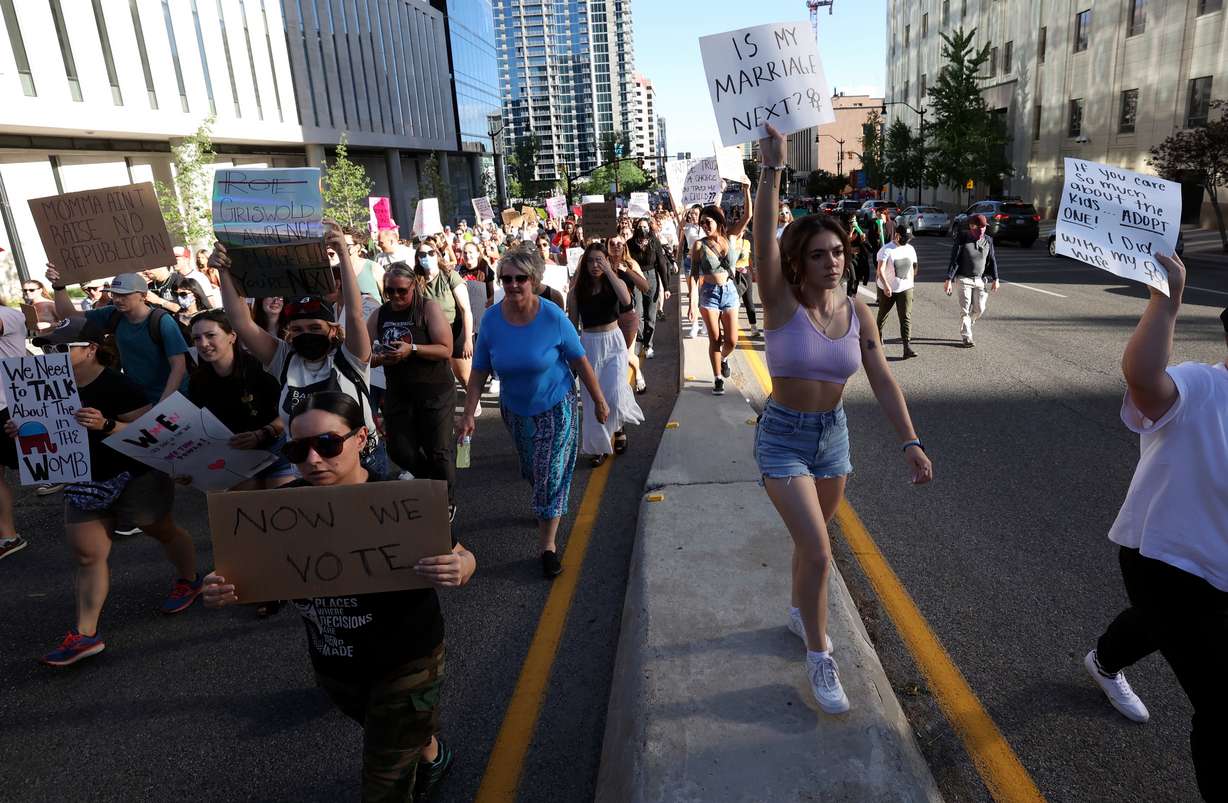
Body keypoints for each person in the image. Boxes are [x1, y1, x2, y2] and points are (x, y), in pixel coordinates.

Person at [202, 391, 474, 802]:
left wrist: (460, 568)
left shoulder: (402, 501)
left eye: (328, 444)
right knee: (387, 727)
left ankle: (420, 750)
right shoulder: (279, 510)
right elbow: (244, 574)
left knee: (383, 785)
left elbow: (464, 556)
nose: (312, 460)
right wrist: (221, 589)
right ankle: (431, 752)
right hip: (334, 662)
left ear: (361, 439)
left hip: (405, 663)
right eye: (297, 449)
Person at [752, 123, 932, 714]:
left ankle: (798, 608)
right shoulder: (782, 303)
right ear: (798, 263)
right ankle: (818, 654)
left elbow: (881, 377)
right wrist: (773, 171)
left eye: (837, 252)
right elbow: (760, 246)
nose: (831, 261)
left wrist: (910, 440)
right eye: (818, 254)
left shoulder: (858, 310)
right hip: (781, 437)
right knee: (822, 548)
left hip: (832, 440)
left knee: (811, 544)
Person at [1084, 259, 1227, 802]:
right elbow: (1145, 380)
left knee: (1162, 625)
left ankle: (1104, 660)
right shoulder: (1204, 386)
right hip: (1164, 561)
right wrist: (1165, 302)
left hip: (1217, 567)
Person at [9, 318, 201, 667]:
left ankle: (189, 579)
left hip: (135, 475)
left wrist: (107, 424)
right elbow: (36, 435)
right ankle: (85, 635)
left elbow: (153, 433)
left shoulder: (118, 385)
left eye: (62, 347)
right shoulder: (41, 385)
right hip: (84, 478)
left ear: (92, 349)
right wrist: (17, 428)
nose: (51, 353)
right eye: (47, 347)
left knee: (160, 529)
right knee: (87, 555)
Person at [460, 244, 608, 579]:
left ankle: (548, 546)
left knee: (550, 473)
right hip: (515, 410)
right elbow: (479, 371)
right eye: (506, 279)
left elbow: (579, 360)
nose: (513, 285)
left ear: (534, 279)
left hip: (556, 405)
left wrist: (598, 401)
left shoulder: (553, 317)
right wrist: (468, 413)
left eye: (520, 279)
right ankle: (545, 504)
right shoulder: (493, 321)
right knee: (533, 469)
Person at [212, 221, 384, 475]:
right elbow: (240, 321)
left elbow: (356, 315)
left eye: (315, 329)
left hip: (360, 465)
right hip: (308, 466)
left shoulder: (351, 358)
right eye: (298, 330)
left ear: (333, 330)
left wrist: (343, 254)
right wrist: (225, 271)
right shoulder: (284, 360)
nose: (306, 336)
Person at [368, 264, 457, 520]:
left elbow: (445, 349)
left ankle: (446, 501)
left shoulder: (427, 308)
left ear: (413, 287)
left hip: (434, 390)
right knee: (399, 449)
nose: (395, 297)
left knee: (438, 450)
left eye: (401, 291)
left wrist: (412, 349)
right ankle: (433, 481)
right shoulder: (379, 314)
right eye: (390, 291)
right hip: (399, 391)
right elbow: (364, 355)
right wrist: (381, 357)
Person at [185, 309, 292, 491]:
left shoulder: (260, 368)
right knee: (248, 512)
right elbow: (199, 426)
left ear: (232, 336)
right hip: (236, 457)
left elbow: (291, 409)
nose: (203, 344)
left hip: (276, 450)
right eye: (196, 338)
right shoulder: (197, 380)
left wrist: (263, 433)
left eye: (210, 335)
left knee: (282, 507)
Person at [50, 270, 191, 405]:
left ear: (143, 295)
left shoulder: (162, 321)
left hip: (173, 399)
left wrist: (164, 404)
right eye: (114, 294)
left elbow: (178, 366)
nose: (117, 299)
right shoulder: (113, 314)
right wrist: (58, 287)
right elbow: (69, 316)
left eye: (124, 295)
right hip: (141, 399)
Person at [568, 242, 644, 466]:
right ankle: (599, 446)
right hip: (589, 344)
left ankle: (618, 427)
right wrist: (572, 356)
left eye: (599, 260)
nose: (594, 265)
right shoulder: (577, 291)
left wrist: (610, 269)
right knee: (594, 398)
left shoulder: (613, 283)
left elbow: (627, 300)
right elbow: (572, 324)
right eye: (590, 260)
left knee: (614, 393)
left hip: (613, 342)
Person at [692, 189, 751, 396]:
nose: (705, 226)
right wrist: (692, 303)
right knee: (715, 339)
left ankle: (724, 358)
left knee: (732, 341)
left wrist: (747, 191)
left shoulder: (732, 237)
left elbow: (747, 216)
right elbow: (693, 275)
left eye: (708, 222)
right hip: (708, 294)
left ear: (718, 221)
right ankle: (717, 378)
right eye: (702, 223)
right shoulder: (698, 245)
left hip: (729, 293)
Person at [413, 241, 477, 417]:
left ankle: (472, 404)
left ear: (437, 255)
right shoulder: (416, 281)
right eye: (422, 255)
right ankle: (442, 411)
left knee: (464, 376)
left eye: (431, 253)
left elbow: (466, 310)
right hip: (431, 333)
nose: (427, 257)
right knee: (439, 376)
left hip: (455, 330)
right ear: (417, 259)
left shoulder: (450, 276)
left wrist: (468, 340)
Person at [944, 213, 999, 347]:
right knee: (965, 309)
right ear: (971, 226)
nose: (982, 230)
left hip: (980, 279)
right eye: (979, 227)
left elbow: (992, 260)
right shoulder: (962, 238)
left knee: (980, 309)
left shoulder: (988, 240)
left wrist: (996, 278)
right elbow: (954, 259)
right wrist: (948, 279)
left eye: (984, 227)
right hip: (963, 278)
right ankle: (967, 337)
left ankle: (969, 322)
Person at [0, 294, 28, 560]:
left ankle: (112, 511)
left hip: (13, 407)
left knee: (54, 467)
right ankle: (8, 537)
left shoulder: (8, 315)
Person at [607, 236, 650, 394]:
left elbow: (645, 287)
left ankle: (638, 374)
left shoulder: (631, 263)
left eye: (619, 243)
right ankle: (616, 387)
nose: (616, 246)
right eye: (612, 243)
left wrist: (626, 270)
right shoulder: (603, 263)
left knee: (626, 354)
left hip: (627, 315)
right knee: (612, 355)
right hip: (608, 316)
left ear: (624, 246)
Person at [627, 217, 671, 360]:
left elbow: (662, 265)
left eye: (645, 227)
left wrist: (666, 287)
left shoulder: (654, 243)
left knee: (651, 315)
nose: (642, 229)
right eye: (640, 226)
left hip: (652, 277)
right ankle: (639, 340)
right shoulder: (630, 244)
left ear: (649, 229)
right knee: (638, 312)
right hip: (636, 278)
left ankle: (649, 344)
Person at [875, 225, 919, 359]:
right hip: (886, 288)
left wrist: (910, 283)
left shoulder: (910, 249)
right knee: (883, 314)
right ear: (897, 235)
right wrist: (887, 285)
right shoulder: (886, 249)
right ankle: (877, 337)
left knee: (905, 317)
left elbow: (914, 266)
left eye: (909, 238)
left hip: (905, 288)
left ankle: (907, 347)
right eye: (905, 238)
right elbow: (880, 270)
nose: (907, 240)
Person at [143, 264, 212, 324]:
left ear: (161, 265)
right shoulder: (149, 286)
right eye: (144, 268)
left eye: (149, 267)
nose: (146, 271)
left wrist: (159, 301)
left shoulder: (179, 281)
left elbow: (189, 309)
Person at [681, 206, 705, 338]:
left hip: (704, 264)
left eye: (696, 213)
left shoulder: (707, 227)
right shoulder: (687, 227)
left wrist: (721, 189)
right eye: (692, 213)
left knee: (703, 294)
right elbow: (679, 217)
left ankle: (705, 323)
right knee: (693, 294)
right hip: (690, 263)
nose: (694, 216)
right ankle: (694, 324)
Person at [346, 229, 385, 302]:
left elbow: (387, 298)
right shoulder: (337, 270)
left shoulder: (372, 267)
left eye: (345, 245)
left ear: (357, 247)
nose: (341, 248)